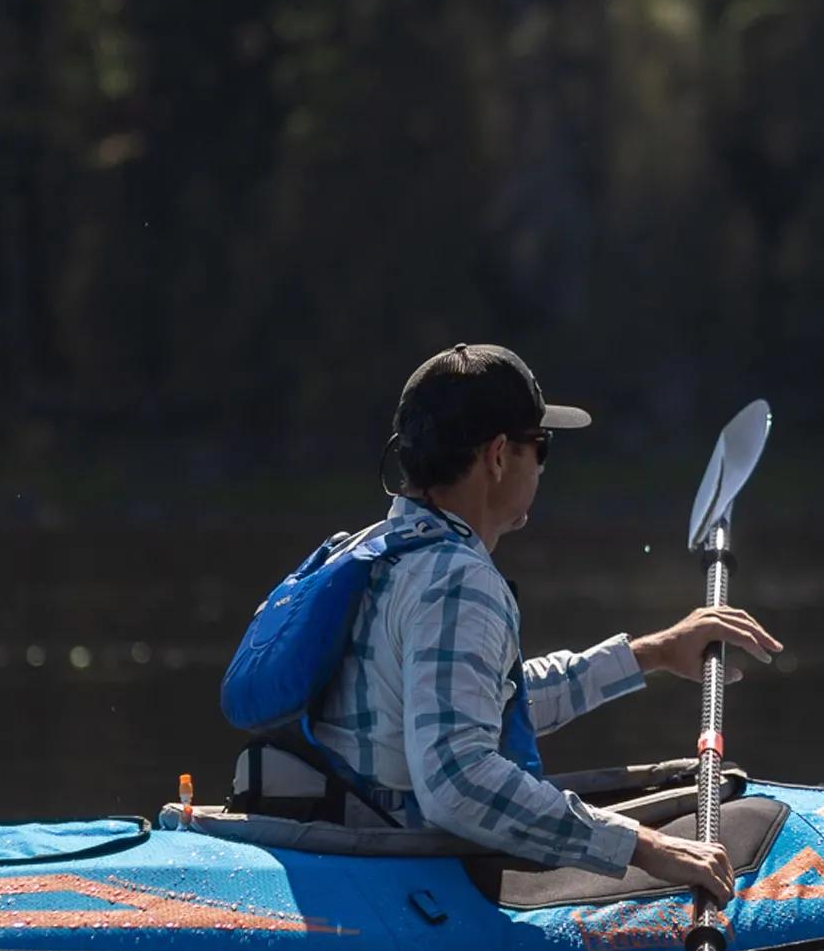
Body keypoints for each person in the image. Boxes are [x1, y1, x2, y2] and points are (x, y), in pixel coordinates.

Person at [236, 344, 782, 903]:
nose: (542, 467)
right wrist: (643, 847)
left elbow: (484, 702)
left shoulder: (368, 552)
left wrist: (654, 653)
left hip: (324, 830)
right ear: (498, 456)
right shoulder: (456, 580)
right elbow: (458, 782)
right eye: (539, 448)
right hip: (386, 868)